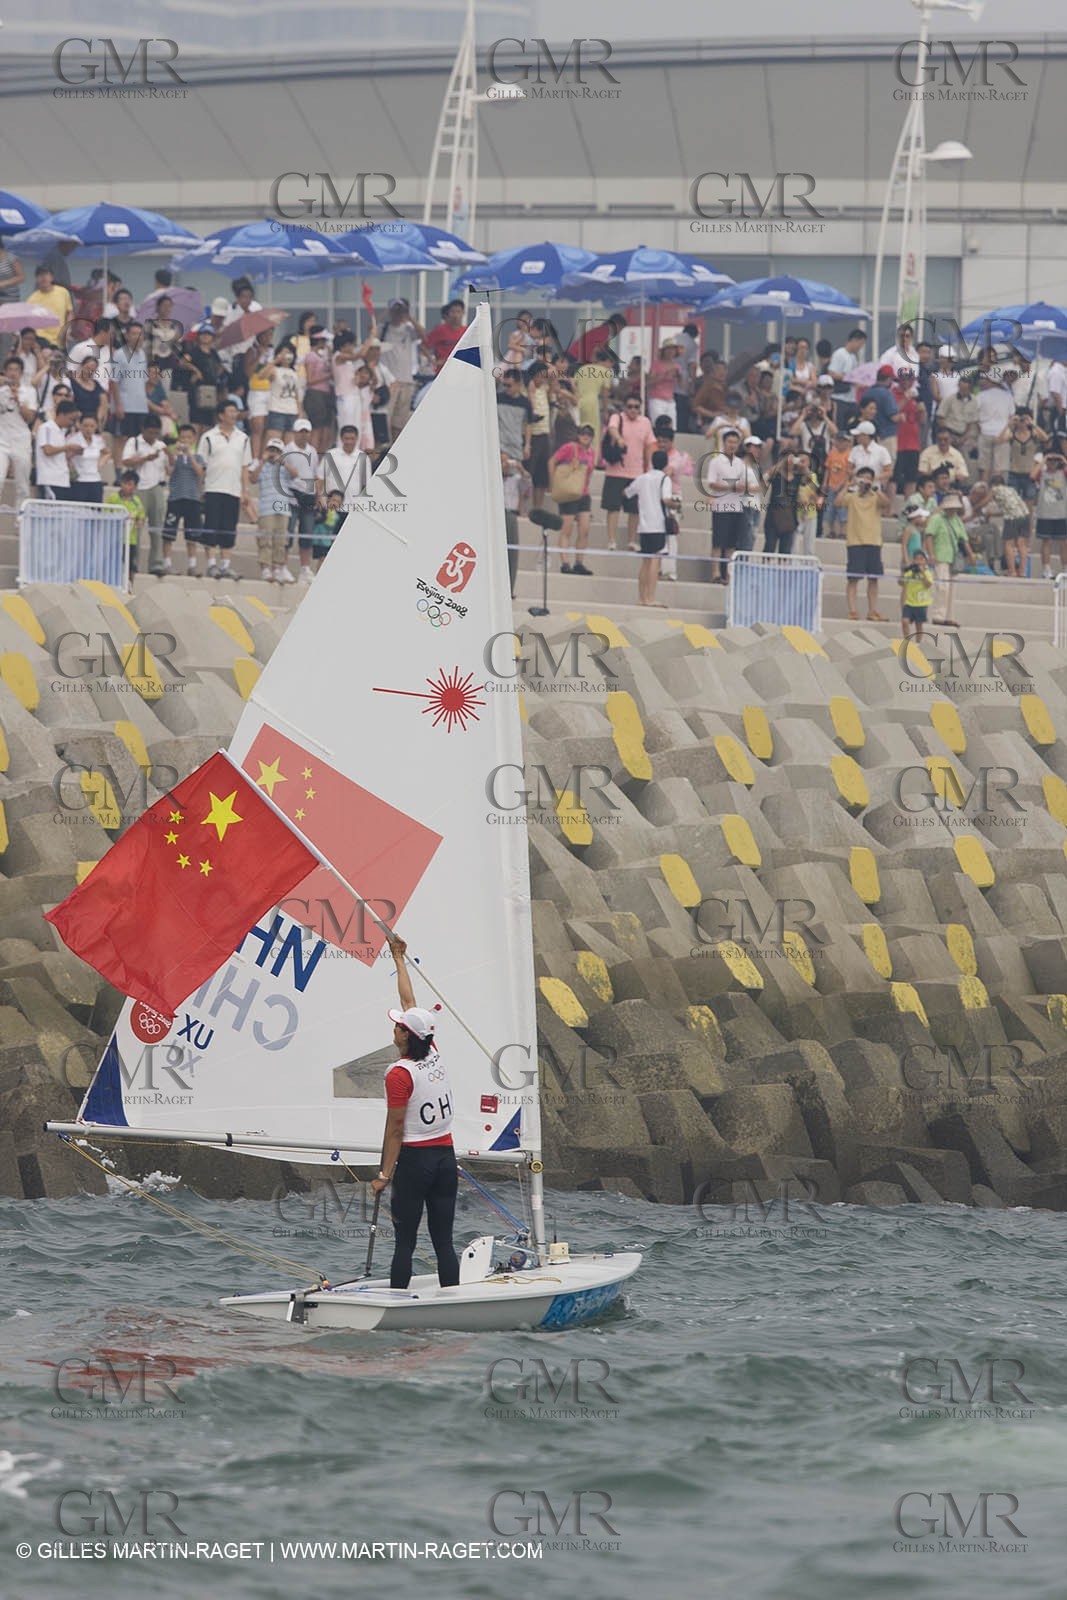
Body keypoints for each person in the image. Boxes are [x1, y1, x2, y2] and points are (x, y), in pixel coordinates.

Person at [371, 934, 459, 1292]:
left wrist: (383, 1175)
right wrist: (399, 959)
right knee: (444, 1242)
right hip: (445, 1160)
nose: (393, 1027)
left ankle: (395, 1304)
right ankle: (454, 1301)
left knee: (404, 1243)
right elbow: (409, 1002)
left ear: (407, 1036)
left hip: (415, 1163)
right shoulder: (432, 1050)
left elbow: (394, 1130)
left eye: (397, 1026)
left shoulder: (399, 1074)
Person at [199, 399, 255, 579]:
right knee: (211, 526)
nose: (234, 414)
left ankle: (225, 565)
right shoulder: (208, 437)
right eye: (230, 411)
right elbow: (201, 465)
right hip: (213, 487)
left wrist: (245, 491)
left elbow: (245, 466)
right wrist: (201, 487)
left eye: (235, 411)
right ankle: (211, 564)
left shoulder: (243, 438)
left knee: (229, 528)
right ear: (221, 415)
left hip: (233, 489)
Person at [623, 448, 679, 607]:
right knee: (655, 561)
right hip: (658, 525)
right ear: (665, 463)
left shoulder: (642, 478)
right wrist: (677, 504)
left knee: (645, 562)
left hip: (644, 525)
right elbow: (666, 499)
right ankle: (651, 597)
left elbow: (627, 493)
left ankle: (641, 597)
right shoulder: (664, 479)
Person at [601, 393, 655, 552]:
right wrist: (618, 439)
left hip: (636, 473)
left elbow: (649, 445)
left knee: (634, 510)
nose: (633, 410)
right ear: (625, 407)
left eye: (636, 407)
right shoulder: (617, 418)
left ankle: (631, 540)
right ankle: (611, 540)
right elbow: (611, 429)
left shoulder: (645, 422)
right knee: (613, 508)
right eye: (630, 406)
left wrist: (648, 468)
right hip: (615, 471)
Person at [122, 418, 170, 575]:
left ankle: (156, 563)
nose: (153, 436)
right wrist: (145, 458)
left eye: (156, 433)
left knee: (156, 528)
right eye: (150, 432)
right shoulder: (134, 442)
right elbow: (126, 461)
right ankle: (133, 562)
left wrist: (171, 454)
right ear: (143, 429)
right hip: (139, 488)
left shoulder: (161, 445)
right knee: (136, 528)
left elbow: (170, 467)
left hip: (156, 487)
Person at [843, 467, 890, 620]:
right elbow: (837, 502)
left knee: (873, 578)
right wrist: (848, 485)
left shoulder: (876, 496)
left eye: (868, 478)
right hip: (855, 542)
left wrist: (876, 488)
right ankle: (852, 610)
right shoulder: (852, 496)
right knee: (853, 579)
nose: (865, 481)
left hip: (874, 542)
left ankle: (872, 611)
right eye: (862, 478)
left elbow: (887, 504)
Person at [550, 423, 596, 574]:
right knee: (567, 530)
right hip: (570, 492)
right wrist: (553, 483)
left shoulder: (591, 452)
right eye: (583, 433)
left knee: (584, 529)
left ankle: (579, 561)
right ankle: (565, 562)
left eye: (588, 434)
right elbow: (552, 461)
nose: (585, 436)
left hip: (583, 493)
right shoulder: (570, 448)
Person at [923, 491, 975, 625]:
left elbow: (964, 539)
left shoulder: (957, 520)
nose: (953, 510)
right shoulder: (936, 519)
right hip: (940, 556)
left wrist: (971, 555)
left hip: (953, 557)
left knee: (952, 588)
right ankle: (938, 615)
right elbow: (929, 536)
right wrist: (931, 554)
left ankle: (949, 616)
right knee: (942, 587)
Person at [704, 428, 749, 582]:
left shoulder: (740, 464)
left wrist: (740, 487)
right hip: (721, 506)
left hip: (736, 507)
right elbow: (712, 483)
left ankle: (729, 574)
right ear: (723, 443)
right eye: (730, 442)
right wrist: (731, 487)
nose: (732, 445)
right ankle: (715, 573)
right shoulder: (716, 461)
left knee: (731, 544)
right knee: (718, 542)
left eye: (735, 442)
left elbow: (744, 484)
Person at [281, 418, 320, 582]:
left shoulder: (313, 452)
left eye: (306, 432)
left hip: (308, 496)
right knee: (288, 533)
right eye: (301, 432)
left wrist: (318, 495)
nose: (304, 435)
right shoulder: (287, 450)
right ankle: (282, 566)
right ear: (295, 432)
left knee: (307, 534)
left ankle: (305, 569)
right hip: (292, 496)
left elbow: (315, 475)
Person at [163, 423, 205, 575]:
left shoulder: (199, 457)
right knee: (169, 533)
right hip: (175, 498)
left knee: (192, 535)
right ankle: (167, 563)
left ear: (194, 439)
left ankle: (192, 565)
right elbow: (169, 471)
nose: (185, 440)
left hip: (193, 499)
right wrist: (173, 455)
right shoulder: (174, 456)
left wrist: (190, 455)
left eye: (189, 437)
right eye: (182, 438)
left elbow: (200, 473)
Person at [379, 299, 423, 438]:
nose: (398, 313)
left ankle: (396, 449)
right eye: (395, 310)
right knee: (386, 419)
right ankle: (385, 451)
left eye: (400, 310)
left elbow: (423, 335)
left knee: (400, 423)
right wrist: (388, 312)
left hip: (406, 380)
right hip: (388, 381)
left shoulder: (409, 329)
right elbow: (371, 328)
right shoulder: (383, 328)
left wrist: (408, 316)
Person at [251, 434, 293, 583]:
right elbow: (253, 479)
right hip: (266, 508)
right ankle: (265, 568)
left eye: (277, 450)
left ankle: (277, 567)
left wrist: (282, 462)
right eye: (271, 449)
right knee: (265, 538)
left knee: (280, 540)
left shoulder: (284, 467)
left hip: (283, 508)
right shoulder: (262, 466)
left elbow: (295, 475)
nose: (273, 453)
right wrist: (262, 461)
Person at [0, 356, 36, 516]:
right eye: (10, 370)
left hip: (21, 439)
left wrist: (17, 398)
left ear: (21, 372)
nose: (13, 373)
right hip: (2, 439)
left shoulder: (29, 392)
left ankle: (20, 520)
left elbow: (30, 417)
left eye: (16, 370)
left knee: (22, 483)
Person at [35, 399, 81, 500]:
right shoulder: (46, 428)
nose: (72, 423)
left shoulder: (62, 432)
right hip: (49, 480)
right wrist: (67, 447)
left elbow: (58, 454)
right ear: (61, 414)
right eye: (71, 419)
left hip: (63, 480)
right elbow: (47, 450)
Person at [1033, 447, 1067, 579]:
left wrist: (1063, 460)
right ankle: (1046, 569)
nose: (1052, 463)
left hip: (1061, 513)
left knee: (1064, 542)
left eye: (1054, 461)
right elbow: (1032, 475)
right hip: (1045, 513)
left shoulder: (1063, 473)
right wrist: (1044, 460)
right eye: (1050, 460)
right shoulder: (1042, 474)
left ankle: (1065, 567)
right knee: (1045, 542)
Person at [892, 370, 925, 497]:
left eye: (910, 379)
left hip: (913, 442)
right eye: (904, 379)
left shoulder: (916, 396)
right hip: (898, 441)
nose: (906, 382)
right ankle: (889, 508)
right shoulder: (894, 393)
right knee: (895, 476)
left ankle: (909, 506)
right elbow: (893, 410)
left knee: (911, 477)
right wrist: (906, 397)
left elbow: (923, 421)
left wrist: (922, 410)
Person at [106, 469, 147, 571]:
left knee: (130, 566)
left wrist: (139, 522)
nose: (125, 486)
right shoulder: (113, 498)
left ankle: (129, 586)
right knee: (113, 565)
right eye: (124, 483)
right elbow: (105, 513)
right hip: (114, 539)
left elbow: (141, 516)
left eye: (129, 484)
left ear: (135, 487)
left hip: (130, 540)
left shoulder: (137, 501)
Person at [764, 447, 802, 557]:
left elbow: (810, 481)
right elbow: (764, 478)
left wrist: (802, 465)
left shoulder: (798, 477)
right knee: (769, 547)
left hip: (790, 517)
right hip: (773, 515)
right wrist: (780, 464)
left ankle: (783, 572)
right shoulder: (777, 475)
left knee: (785, 551)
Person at [68, 413, 110, 505]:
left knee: (96, 512)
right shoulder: (73, 439)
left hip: (95, 480)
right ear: (80, 425)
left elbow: (107, 453)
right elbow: (65, 456)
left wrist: (99, 464)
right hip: (79, 481)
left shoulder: (98, 440)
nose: (88, 429)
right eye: (85, 426)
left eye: (92, 426)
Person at [27, 264, 73, 339]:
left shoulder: (63, 292)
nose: (43, 277)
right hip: (41, 337)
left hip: (60, 337)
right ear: (36, 279)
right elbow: (29, 322)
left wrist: (68, 330)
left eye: (46, 274)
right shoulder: (31, 300)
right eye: (40, 275)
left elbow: (69, 312)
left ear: (52, 277)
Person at [821, 431, 852, 539]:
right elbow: (828, 469)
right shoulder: (832, 453)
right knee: (829, 509)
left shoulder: (849, 455)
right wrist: (825, 483)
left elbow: (849, 473)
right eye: (838, 440)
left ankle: (843, 532)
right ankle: (831, 531)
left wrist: (841, 485)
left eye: (842, 441)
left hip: (842, 487)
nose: (839, 443)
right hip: (831, 485)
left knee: (843, 510)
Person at [422, 300, 467, 376]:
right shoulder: (440, 330)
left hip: (461, 372)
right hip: (442, 372)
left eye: (458, 312)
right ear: (449, 313)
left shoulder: (467, 331)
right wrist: (433, 361)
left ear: (463, 313)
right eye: (453, 312)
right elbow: (423, 346)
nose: (456, 315)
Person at [647, 340, 684, 429]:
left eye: (673, 349)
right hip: (657, 399)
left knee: (672, 426)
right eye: (668, 349)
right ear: (664, 351)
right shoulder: (656, 364)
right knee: (658, 425)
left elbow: (681, 386)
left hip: (670, 400)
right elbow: (648, 382)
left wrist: (680, 376)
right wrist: (664, 375)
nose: (671, 351)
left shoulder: (677, 366)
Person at [899, 548, 933, 643]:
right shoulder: (910, 572)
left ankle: (918, 642)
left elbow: (928, 584)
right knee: (905, 621)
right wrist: (904, 571)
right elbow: (901, 583)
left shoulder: (927, 573)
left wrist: (922, 572)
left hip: (921, 603)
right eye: (916, 559)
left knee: (919, 625)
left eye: (921, 559)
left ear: (925, 561)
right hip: (909, 602)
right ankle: (907, 640)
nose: (918, 561)